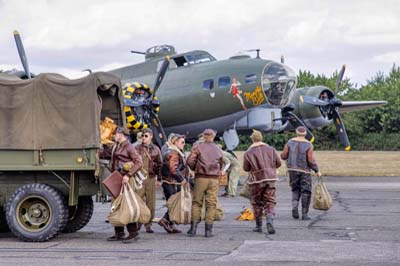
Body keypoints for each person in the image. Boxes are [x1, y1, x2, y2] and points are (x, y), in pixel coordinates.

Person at [102, 126, 143, 243]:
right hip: (118, 178)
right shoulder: (118, 145)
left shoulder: (129, 147)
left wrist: (128, 175)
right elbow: (110, 155)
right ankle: (119, 233)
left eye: (116, 133)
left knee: (127, 205)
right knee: (116, 205)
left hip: (125, 179)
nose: (114, 135)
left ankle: (133, 233)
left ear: (121, 134)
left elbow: (139, 162)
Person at [186, 129, 225, 237]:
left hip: (201, 177)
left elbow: (189, 161)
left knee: (197, 202)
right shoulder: (218, 149)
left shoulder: (198, 147)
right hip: (214, 179)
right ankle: (208, 231)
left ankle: (193, 229)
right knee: (211, 204)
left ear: (203, 136)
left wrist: (195, 168)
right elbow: (222, 162)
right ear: (213, 136)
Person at [243, 130, 281, 234]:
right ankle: (269, 219)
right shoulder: (271, 149)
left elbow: (246, 168)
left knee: (257, 202)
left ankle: (258, 225)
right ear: (261, 138)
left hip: (257, 180)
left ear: (252, 139)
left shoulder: (248, 152)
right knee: (270, 201)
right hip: (271, 178)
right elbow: (278, 163)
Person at [280, 126, 321, 220]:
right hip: (304, 171)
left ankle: (294, 207)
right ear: (305, 134)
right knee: (306, 191)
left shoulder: (290, 142)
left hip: (292, 171)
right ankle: (304, 214)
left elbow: (283, 156)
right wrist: (317, 170)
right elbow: (310, 160)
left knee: (295, 189)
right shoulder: (309, 145)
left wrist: (286, 156)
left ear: (296, 132)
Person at [159, 133, 189, 233]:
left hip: (171, 181)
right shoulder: (173, 153)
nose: (184, 144)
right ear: (175, 142)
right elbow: (173, 169)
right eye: (182, 142)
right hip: (172, 182)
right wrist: (182, 179)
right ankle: (165, 220)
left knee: (173, 203)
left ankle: (170, 224)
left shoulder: (174, 151)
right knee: (175, 203)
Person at [135, 128, 162, 233]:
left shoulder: (156, 149)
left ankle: (148, 224)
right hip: (139, 178)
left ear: (151, 136)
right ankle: (138, 223)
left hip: (150, 178)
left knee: (151, 202)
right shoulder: (137, 148)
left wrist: (159, 179)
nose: (143, 138)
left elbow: (160, 164)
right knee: (138, 201)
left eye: (146, 136)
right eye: (142, 136)